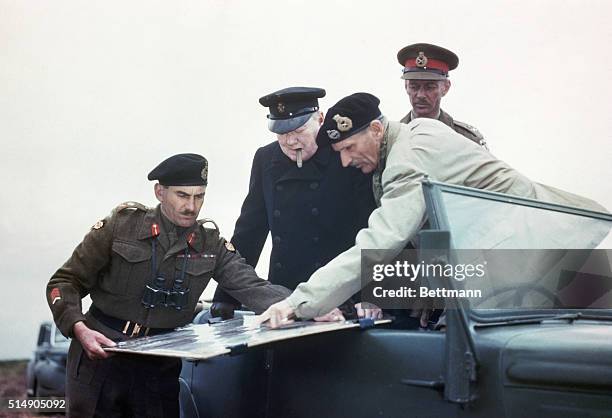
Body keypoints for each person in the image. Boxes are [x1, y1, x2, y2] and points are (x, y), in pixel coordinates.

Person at [258, 92, 607, 327]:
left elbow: (379, 242)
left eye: (349, 147)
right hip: (547, 256)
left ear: (377, 129)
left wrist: (299, 303)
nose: (346, 160)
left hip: (539, 261)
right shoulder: (418, 131)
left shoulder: (406, 160)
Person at [47, 153, 291, 418]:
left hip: (158, 367)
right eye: (182, 195)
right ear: (160, 192)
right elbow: (64, 282)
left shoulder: (210, 244)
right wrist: (79, 328)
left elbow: (252, 286)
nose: (192, 206)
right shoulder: (121, 226)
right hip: (102, 356)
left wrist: (305, 305)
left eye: (199, 196)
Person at [211, 87, 379, 320]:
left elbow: (374, 229)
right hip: (284, 294)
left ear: (320, 120)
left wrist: (371, 296)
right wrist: (225, 298)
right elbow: (250, 230)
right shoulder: (265, 159)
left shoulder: (346, 153)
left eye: (299, 130)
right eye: (281, 133)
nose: (290, 141)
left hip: (343, 295)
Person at [397, 43, 487, 148]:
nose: (421, 95)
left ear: (445, 88)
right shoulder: (391, 138)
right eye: (414, 87)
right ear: (406, 86)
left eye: (430, 87)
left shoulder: (467, 140)